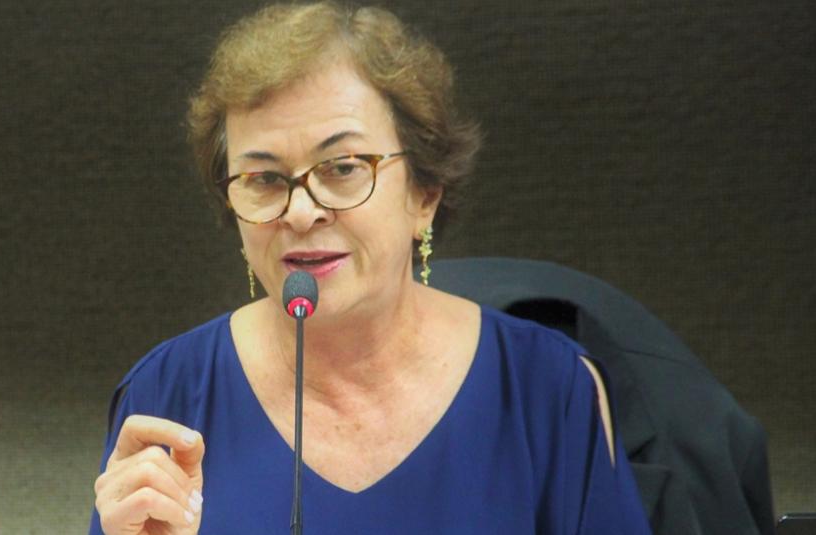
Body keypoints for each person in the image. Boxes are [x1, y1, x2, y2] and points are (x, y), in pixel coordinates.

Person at [89, 2, 652, 534]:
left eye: (342, 168)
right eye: (263, 179)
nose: (301, 212)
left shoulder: (548, 388)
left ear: (425, 193)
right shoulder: (166, 393)